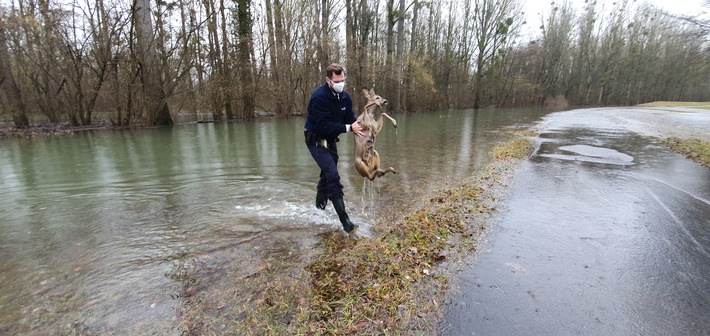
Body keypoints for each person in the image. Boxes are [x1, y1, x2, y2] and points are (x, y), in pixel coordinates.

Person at [304, 63, 364, 234]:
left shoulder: (345, 97)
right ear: (328, 80)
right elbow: (323, 126)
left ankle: (318, 210)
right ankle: (346, 222)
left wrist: (360, 126)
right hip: (315, 139)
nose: (341, 83)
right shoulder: (319, 97)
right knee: (332, 174)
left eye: (343, 80)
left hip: (330, 140)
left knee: (327, 173)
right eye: (337, 81)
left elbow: (350, 119)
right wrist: (349, 128)